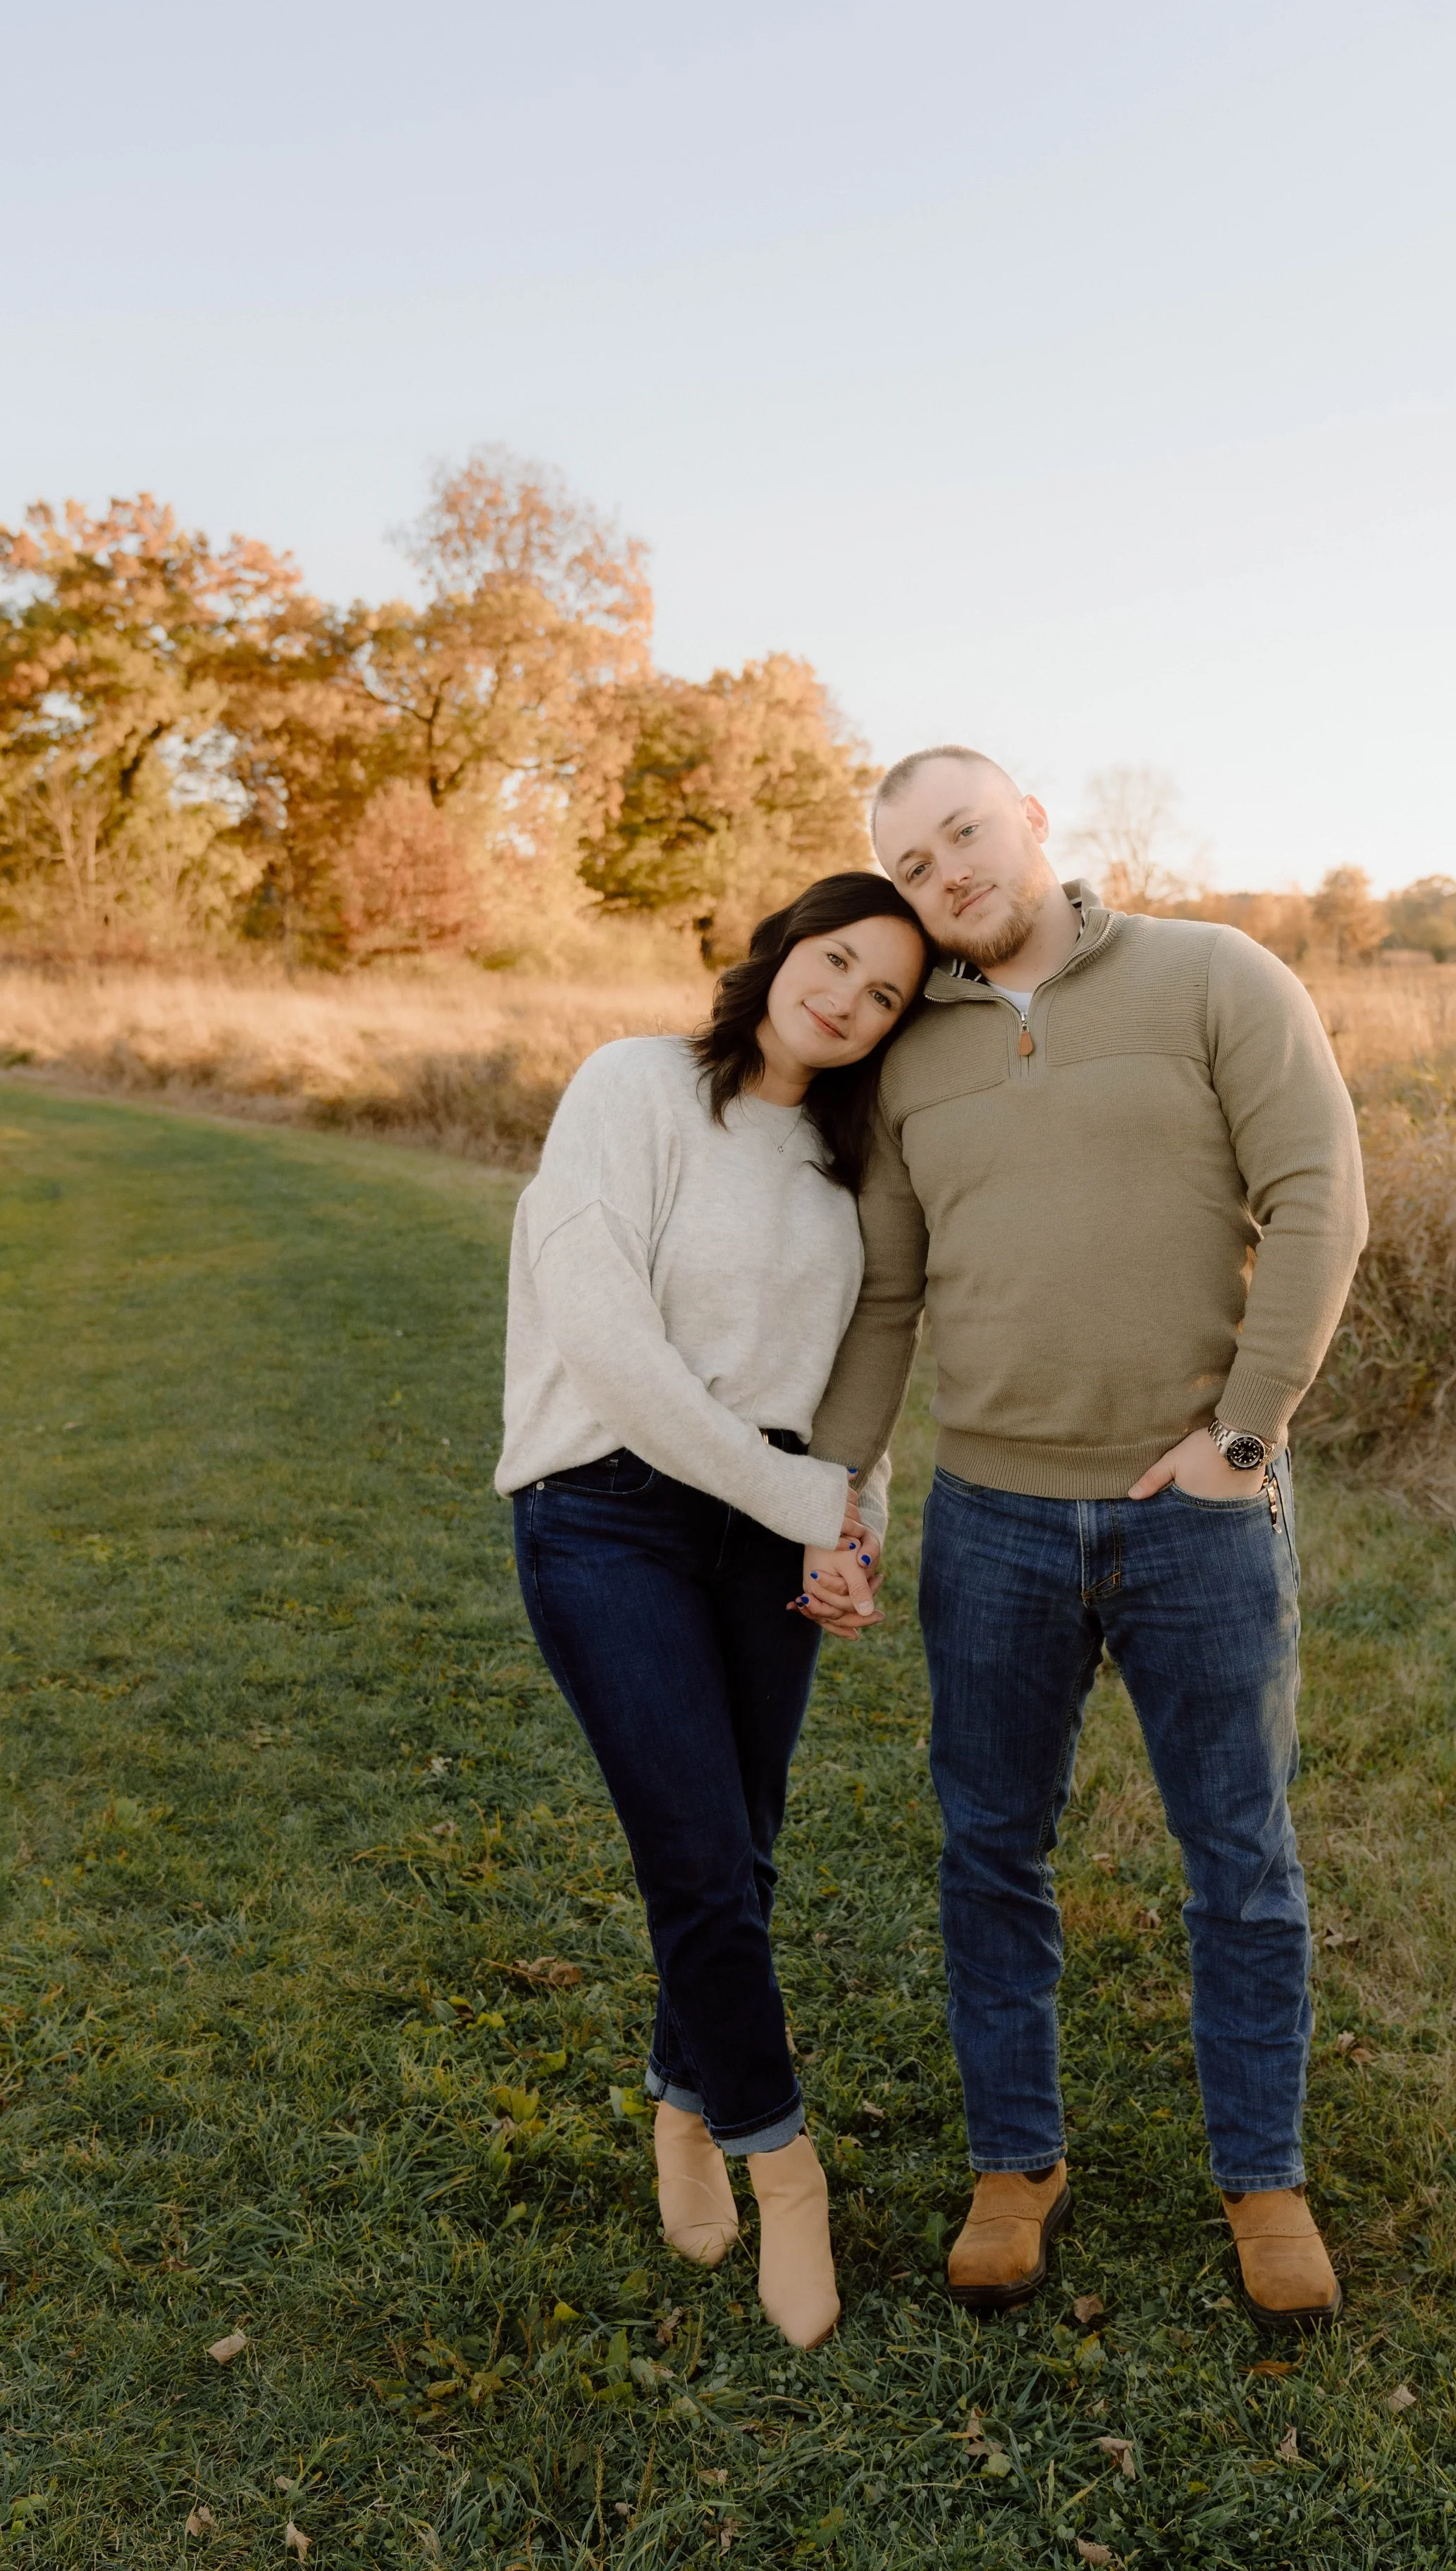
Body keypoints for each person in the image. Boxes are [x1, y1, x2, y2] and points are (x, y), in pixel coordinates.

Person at [806, 748, 1368, 2333]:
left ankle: (1261, 2177)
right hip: (987, 1520)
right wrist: (839, 1483)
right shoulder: (905, 1056)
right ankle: (1014, 2164)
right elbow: (890, 1295)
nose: (948, 873)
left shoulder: (1210, 975)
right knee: (990, 1848)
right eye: (911, 864)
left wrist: (1242, 1435)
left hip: (1194, 1514)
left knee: (1239, 1860)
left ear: (1031, 818)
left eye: (964, 832)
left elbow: (1319, 1196)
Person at [495, 872, 929, 2349]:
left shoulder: (839, 1163)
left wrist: (851, 1517)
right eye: (837, 960)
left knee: (737, 1849)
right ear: (780, 947)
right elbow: (603, 1337)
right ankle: (782, 2162)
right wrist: (787, 1491)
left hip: (770, 1529)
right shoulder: (632, 1086)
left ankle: (685, 2110)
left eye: (883, 996)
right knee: (692, 1853)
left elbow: (855, 1365)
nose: (849, 1000)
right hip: (604, 1509)